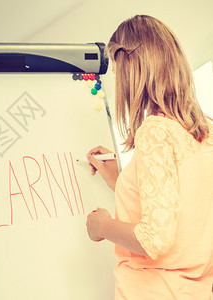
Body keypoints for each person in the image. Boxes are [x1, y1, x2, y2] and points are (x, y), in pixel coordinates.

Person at [84, 15, 213, 299]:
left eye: (118, 73)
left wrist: (102, 226)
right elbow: (180, 211)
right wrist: (121, 180)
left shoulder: (154, 132)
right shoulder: (205, 132)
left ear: (132, 71)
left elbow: (155, 239)